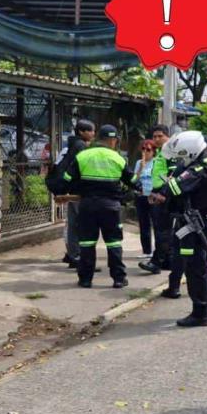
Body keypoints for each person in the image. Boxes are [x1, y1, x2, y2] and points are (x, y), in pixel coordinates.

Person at [151, 131, 207, 327]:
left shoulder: (197, 170)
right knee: (205, 267)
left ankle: (199, 312)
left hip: (195, 226)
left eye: (182, 156)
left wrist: (170, 182)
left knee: (195, 268)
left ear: (192, 152)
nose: (180, 160)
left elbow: (172, 189)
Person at [64, 124, 135, 288]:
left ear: (98, 138)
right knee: (114, 243)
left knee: (87, 243)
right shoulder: (118, 158)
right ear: (113, 140)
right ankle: (118, 279)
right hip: (111, 207)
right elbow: (132, 181)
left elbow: (67, 178)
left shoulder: (83, 156)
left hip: (87, 206)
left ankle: (85, 279)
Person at [138, 124, 176, 274]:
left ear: (167, 136)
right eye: (154, 136)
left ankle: (156, 263)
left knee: (162, 231)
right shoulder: (161, 152)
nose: (157, 139)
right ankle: (167, 261)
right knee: (162, 230)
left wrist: (163, 194)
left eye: (160, 136)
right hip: (157, 192)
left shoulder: (170, 151)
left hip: (164, 194)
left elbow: (172, 175)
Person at [59, 119, 96, 269]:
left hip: (72, 190)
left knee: (73, 225)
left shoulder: (72, 144)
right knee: (81, 225)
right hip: (79, 192)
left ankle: (73, 255)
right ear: (81, 132)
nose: (93, 133)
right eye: (91, 130)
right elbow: (83, 169)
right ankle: (78, 257)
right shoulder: (80, 146)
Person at [133, 139, 157, 258]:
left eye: (148, 150)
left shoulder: (156, 162)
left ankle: (158, 251)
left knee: (157, 224)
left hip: (153, 197)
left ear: (153, 151)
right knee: (144, 224)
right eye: (143, 149)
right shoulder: (139, 163)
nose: (145, 152)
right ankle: (146, 251)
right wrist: (140, 169)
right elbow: (135, 180)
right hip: (141, 196)